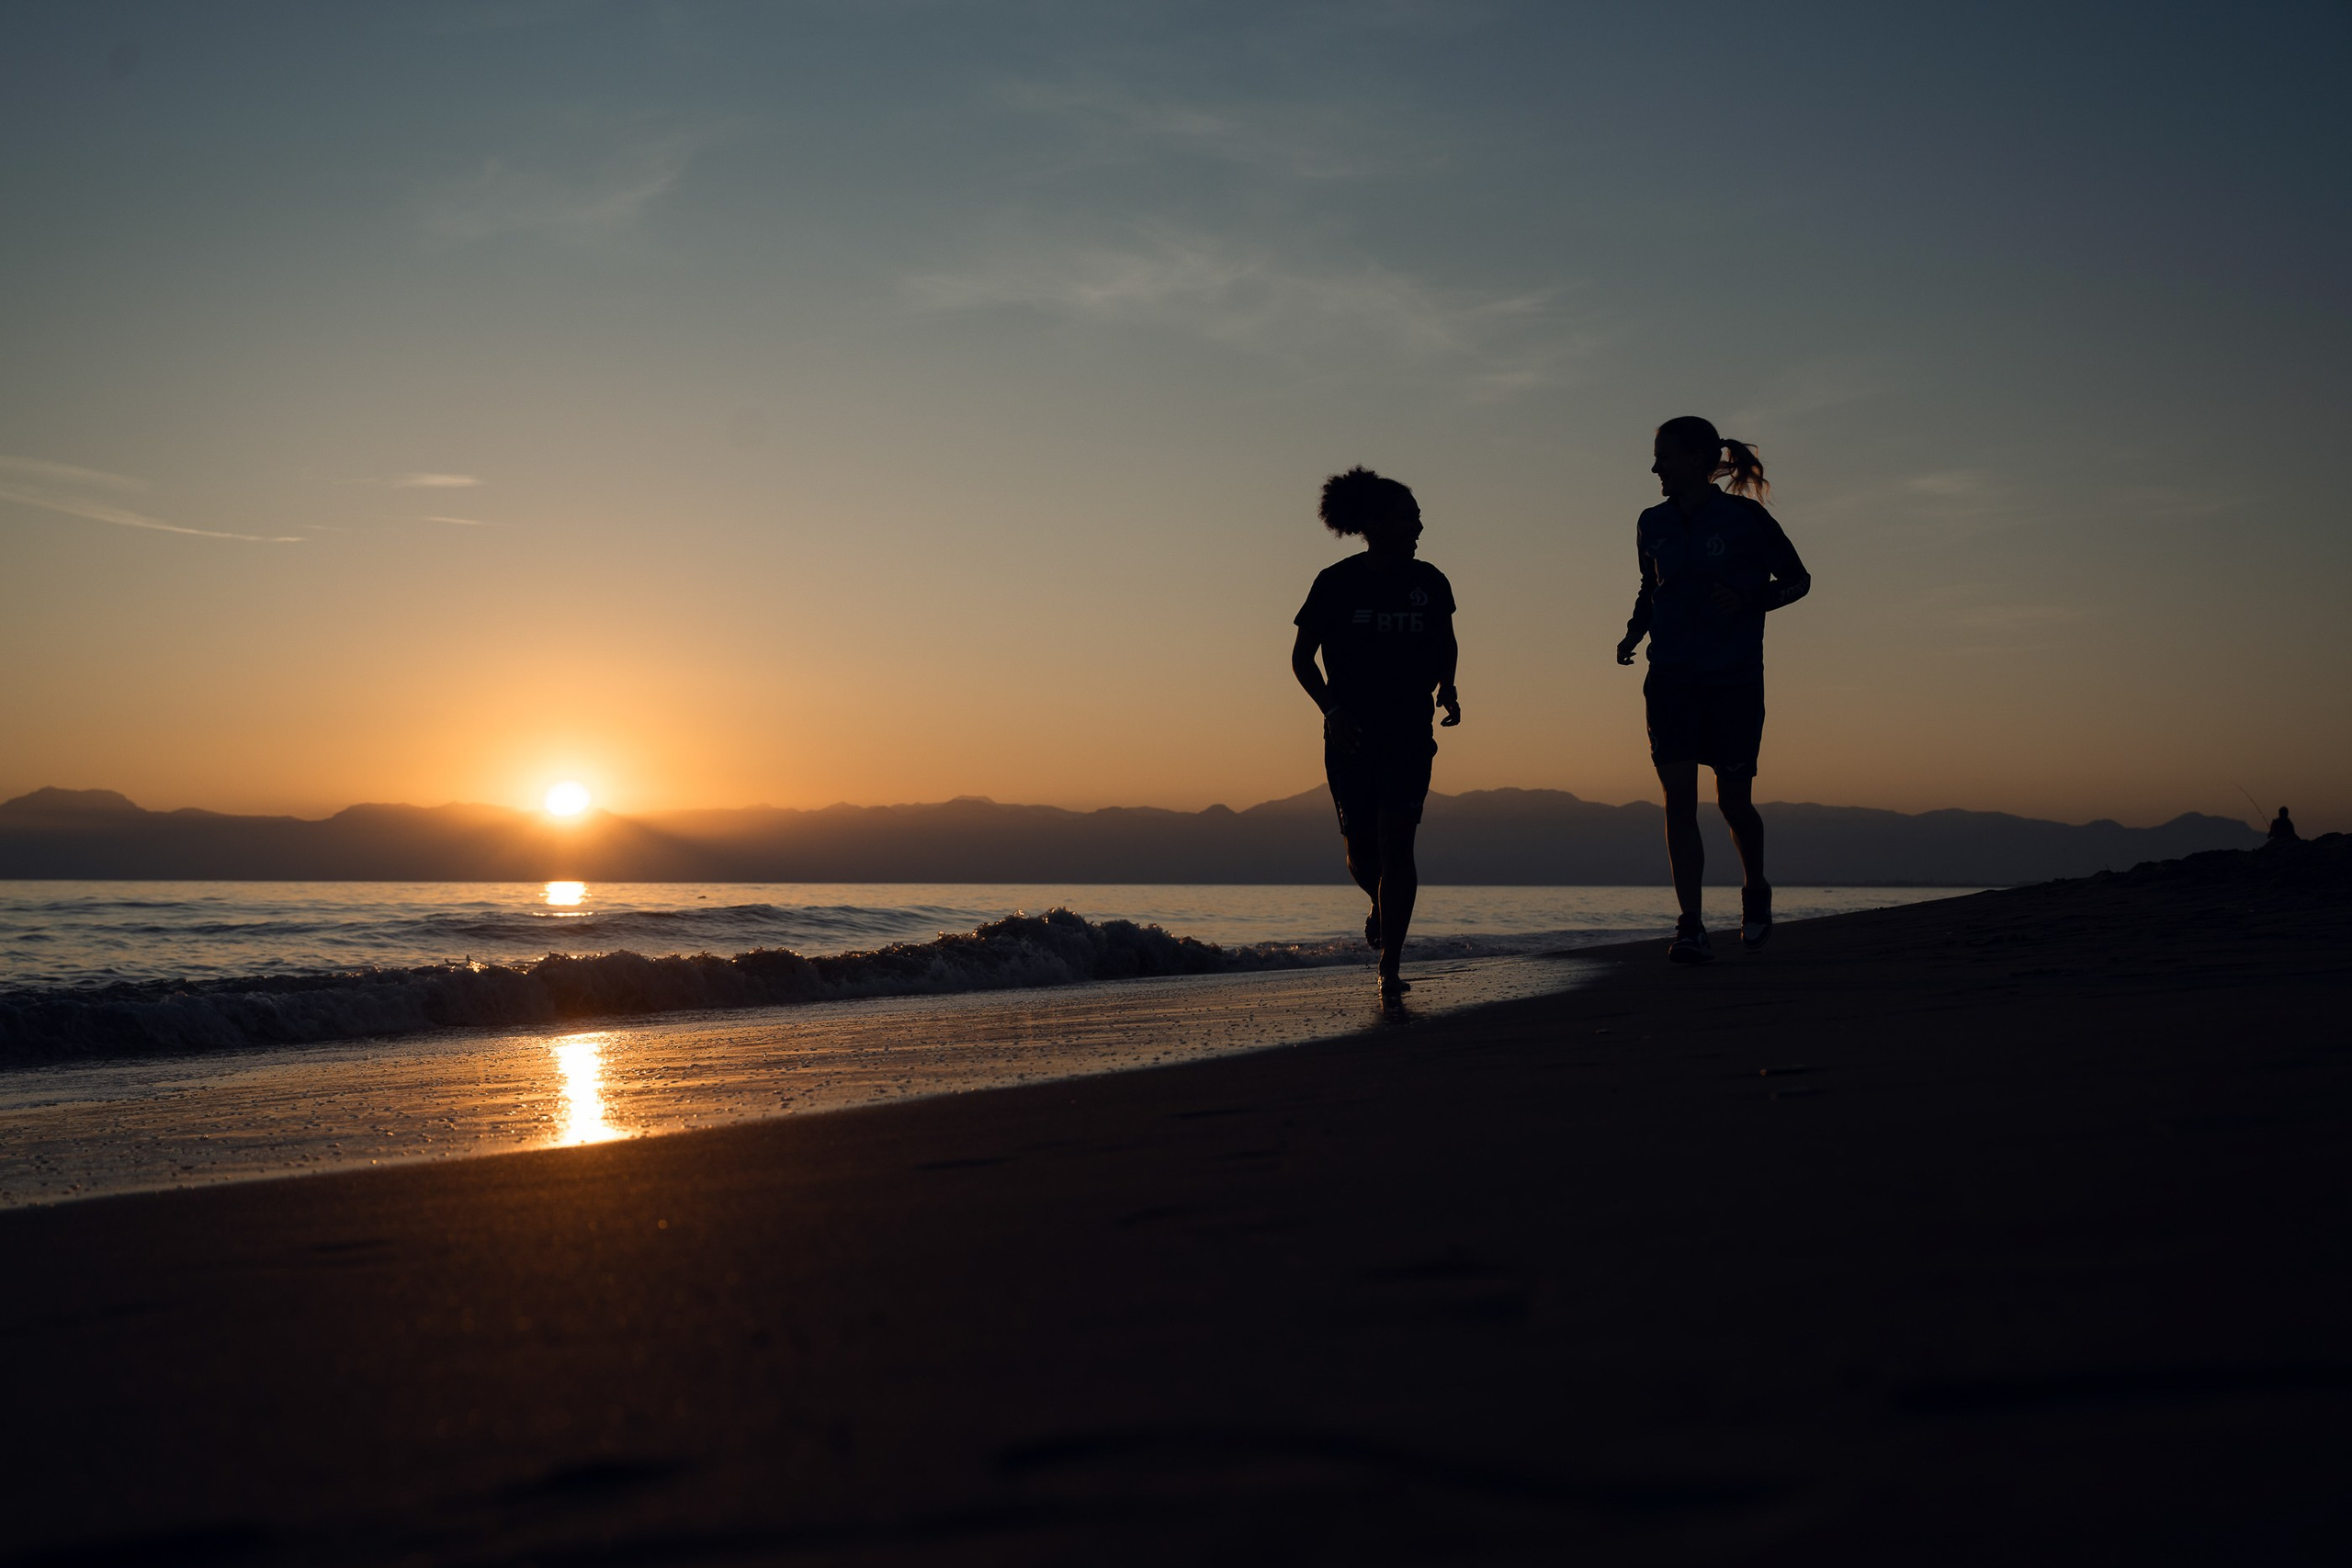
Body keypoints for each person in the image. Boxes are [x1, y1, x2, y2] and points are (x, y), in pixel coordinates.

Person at [1615, 417, 1810, 964]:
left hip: (1734, 682)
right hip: (1671, 679)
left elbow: (1798, 579)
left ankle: (1755, 888)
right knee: (1679, 799)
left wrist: (1750, 602)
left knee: (1733, 801)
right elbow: (1649, 588)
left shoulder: (1745, 519)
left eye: (1665, 457)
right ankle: (1691, 925)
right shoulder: (1650, 522)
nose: (1655, 468)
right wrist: (1634, 631)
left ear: (1699, 458)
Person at [1292, 467, 1461, 1004]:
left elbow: (1446, 642)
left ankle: (1389, 965)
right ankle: (1379, 902)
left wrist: (1449, 688)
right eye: (1408, 518)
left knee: (1397, 843)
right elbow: (1301, 659)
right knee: (1362, 856)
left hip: (1408, 732)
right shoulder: (1335, 582)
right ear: (1374, 523)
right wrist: (1332, 709)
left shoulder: (1429, 581)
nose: (1418, 527)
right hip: (1351, 736)